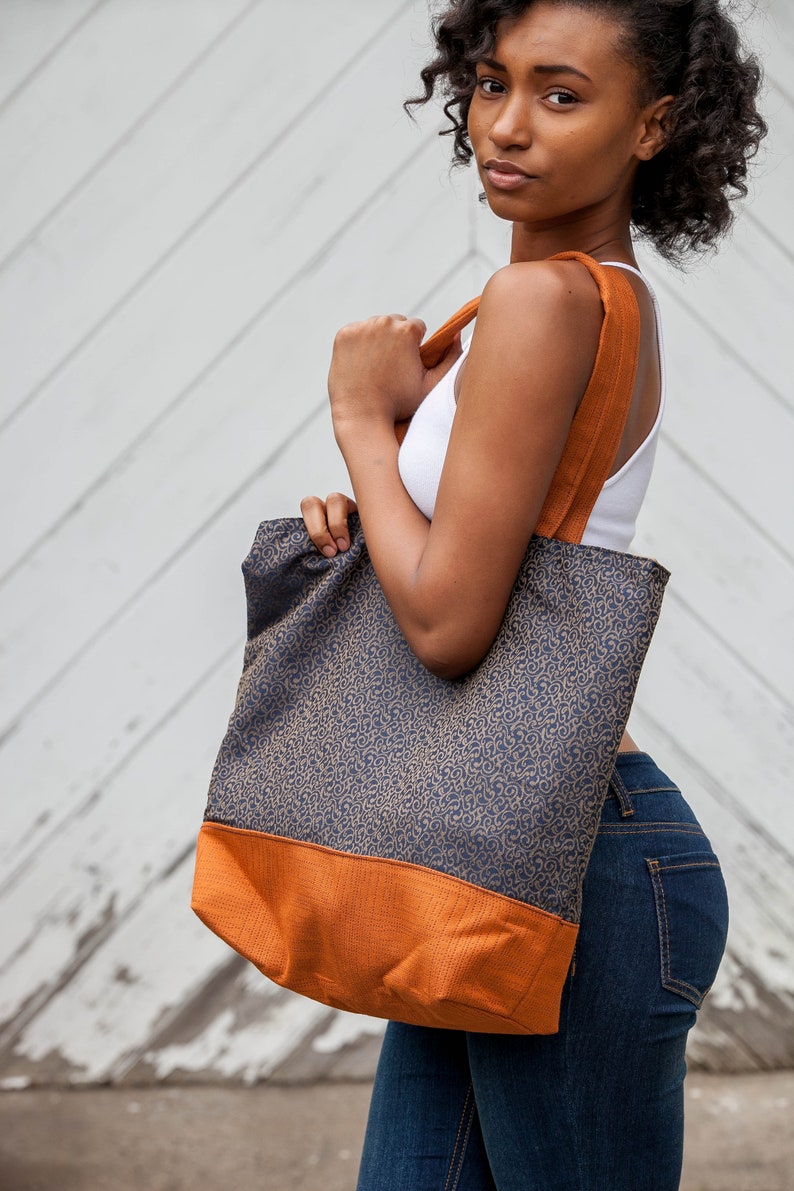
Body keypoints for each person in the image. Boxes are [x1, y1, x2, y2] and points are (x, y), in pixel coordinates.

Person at [299, 1, 766, 1186]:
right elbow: (472, 568)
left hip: (570, 869)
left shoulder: (544, 303)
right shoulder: (573, 303)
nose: (505, 126)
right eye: (491, 82)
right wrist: (372, 507)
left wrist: (359, 420)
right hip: (497, 847)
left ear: (651, 125)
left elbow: (451, 626)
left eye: (561, 95)